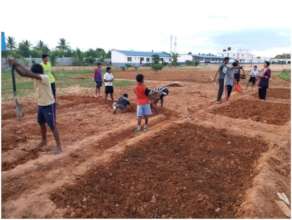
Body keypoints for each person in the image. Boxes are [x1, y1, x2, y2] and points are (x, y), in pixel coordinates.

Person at [8, 58, 62, 154]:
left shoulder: (44, 78)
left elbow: (27, 73)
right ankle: (44, 141)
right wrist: (15, 66)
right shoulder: (36, 77)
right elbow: (23, 73)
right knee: (41, 123)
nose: (31, 74)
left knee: (52, 126)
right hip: (41, 105)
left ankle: (59, 147)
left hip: (49, 105)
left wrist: (17, 63)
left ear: (36, 73)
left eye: (33, 73)